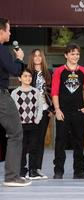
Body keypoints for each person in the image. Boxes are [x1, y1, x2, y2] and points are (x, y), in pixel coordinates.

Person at [51, 43, 84, 179]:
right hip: (62, 112)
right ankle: (58, 171)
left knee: (79, 141)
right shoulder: (59, 71)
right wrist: (57, 109)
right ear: (66, 55)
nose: (75, 56)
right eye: (72, 54)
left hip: (78, 112)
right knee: (60, 141)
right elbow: (54, 92)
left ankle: (79, 171)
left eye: (77, 54)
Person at [0, 17, 31, 186]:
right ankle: (12, 177)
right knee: (16, 133)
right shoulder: (2, 50)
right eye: (8, 29)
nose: (10, 32)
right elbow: (15, 71)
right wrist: (19, 58)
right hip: (1, 97)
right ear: (1, 31)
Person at [11, 68, 43, 180]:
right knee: (22, 148)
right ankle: (21, 171)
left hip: (33, 124)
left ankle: (32, 171)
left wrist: (38, 119)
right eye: (25, 76)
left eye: (29, 76)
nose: (28, 78)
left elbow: (40, 107)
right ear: (20, 78)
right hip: (21, 125)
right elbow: (12, 110)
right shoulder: (15, 93)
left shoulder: (36, 92)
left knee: (34, 147)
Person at [27, 48, 53, 179]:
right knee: (32, 140)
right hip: (31, 111)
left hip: (44, 109)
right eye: (35, 56)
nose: (37, 58)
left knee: (40, 140)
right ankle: (29, 169)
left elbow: (52, 92)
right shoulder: (28, 73)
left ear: (43, 58)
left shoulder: (48, 74)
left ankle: (37, 168)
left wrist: (51, 109)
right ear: (32, 58)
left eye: (40, 56)